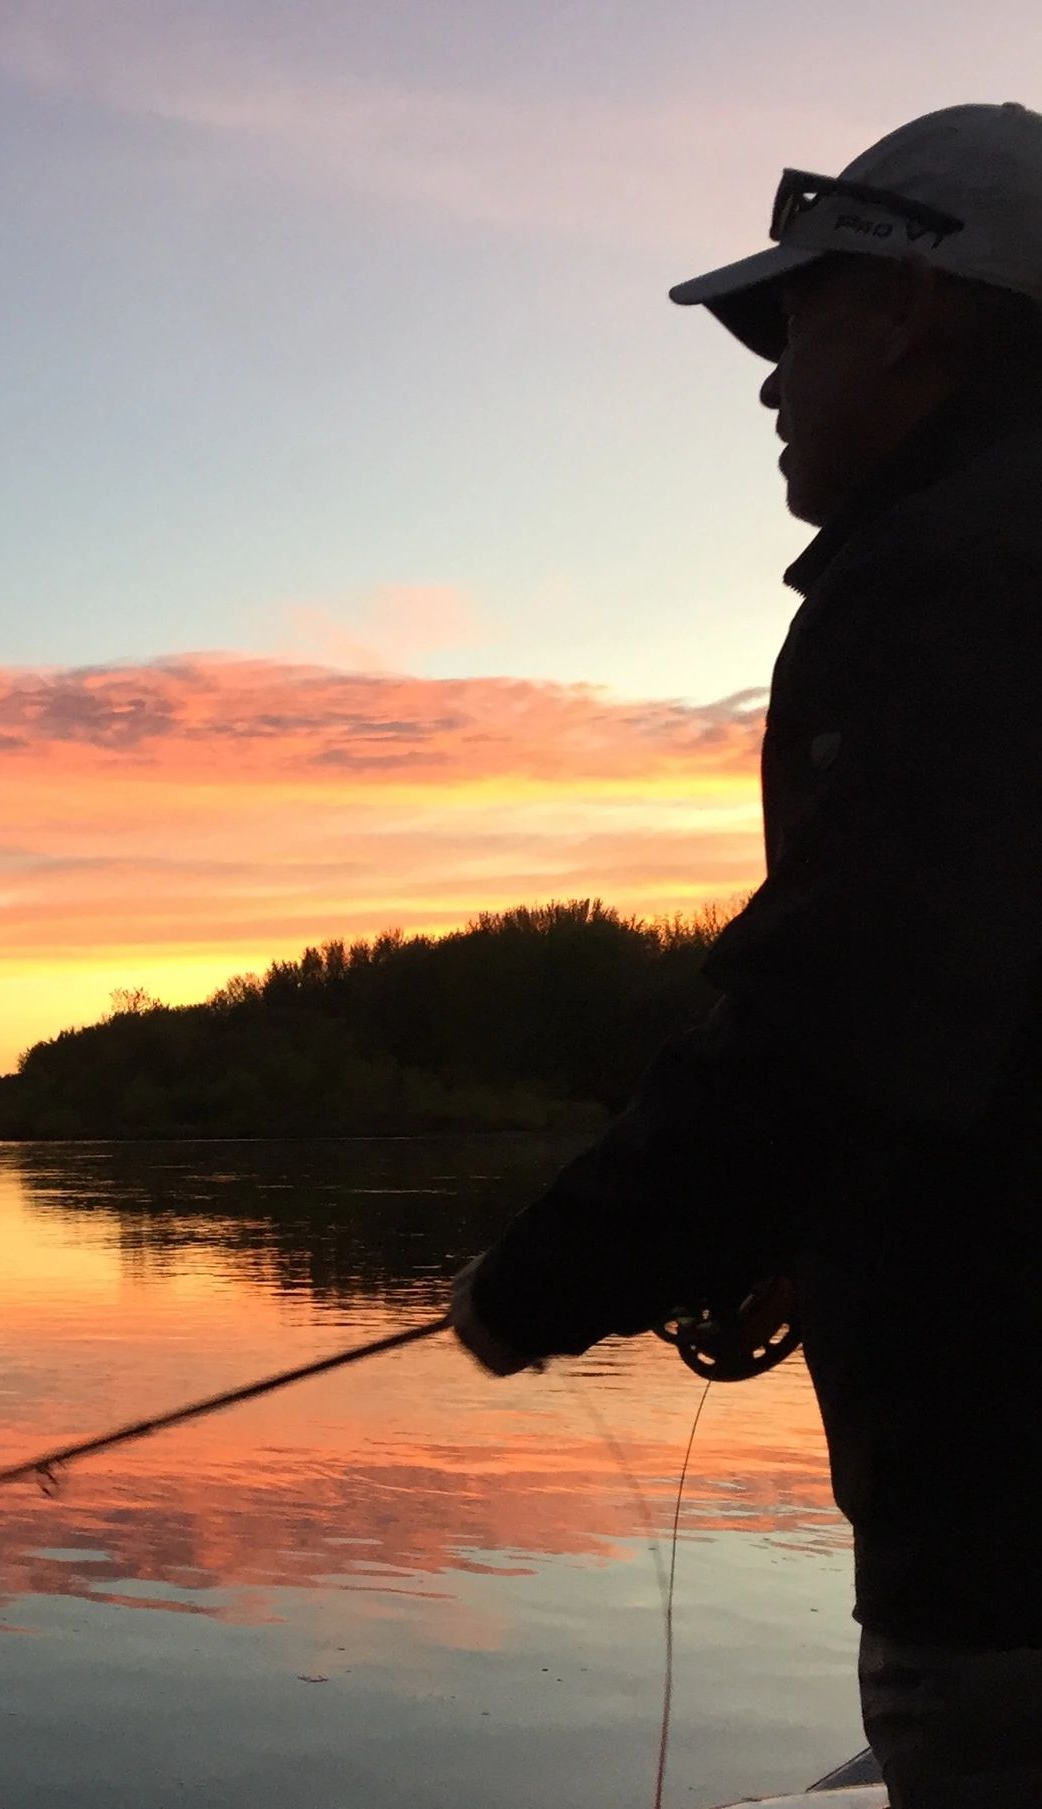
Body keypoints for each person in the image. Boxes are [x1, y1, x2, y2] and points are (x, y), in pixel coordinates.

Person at [448, 102, 1042, 1808]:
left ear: (920, 311)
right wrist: (798, 1213)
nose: (771, 380)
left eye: (804, 320)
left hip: (1012, 1541)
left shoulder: (946, 576)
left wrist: (541, 1280)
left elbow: (850, 1018)